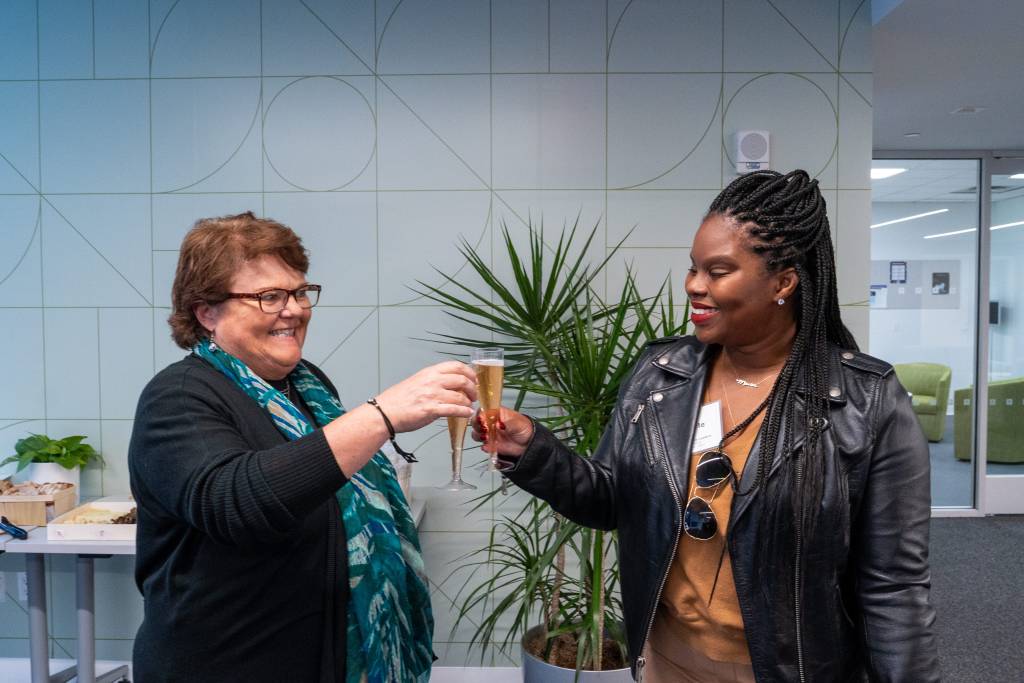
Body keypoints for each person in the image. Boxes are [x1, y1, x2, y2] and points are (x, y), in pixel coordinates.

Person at [476, 171, 940, 682]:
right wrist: (533, 452)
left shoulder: (866, 403)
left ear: (783, 282)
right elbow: (611, 498)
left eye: (718, 271)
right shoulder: (662, 375)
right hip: (667, 661)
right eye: (694, 268)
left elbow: (893, 586)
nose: (694, 285)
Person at [128, 212, 476, 682]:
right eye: (268, 296)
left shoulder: (308, 387)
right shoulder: (179, 396)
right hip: (225, 665)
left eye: (299, 292)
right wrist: (380, 415)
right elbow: (237, 502)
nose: (292, 309)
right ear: (206, 311)